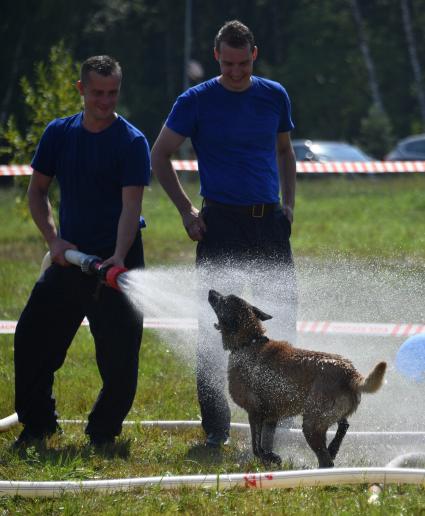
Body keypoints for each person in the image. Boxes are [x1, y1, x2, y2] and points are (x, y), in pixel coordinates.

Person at [151, 20, 297, 448]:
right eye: (228, 63)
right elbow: (160, 155)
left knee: (282, 319)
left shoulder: (274, 95)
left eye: (243, 63)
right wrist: (185, 210)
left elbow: (285, 152)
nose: (236, 72)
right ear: (217, 56)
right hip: (220, 224)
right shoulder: (194, 101)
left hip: (268, 221)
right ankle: (215, 430)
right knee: (213, 328)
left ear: (255, 53)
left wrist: (289, 205)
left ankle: (282, 418)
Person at [13, 55, 151, 448]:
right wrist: (54, 241)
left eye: (112, 93)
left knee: (120, 358)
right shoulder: (59, 134)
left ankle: (103, 433)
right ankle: (38, 424)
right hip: (70, 256)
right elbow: (37, 192)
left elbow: (130, 208)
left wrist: (119, 258)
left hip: (117, 257)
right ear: (81, 90)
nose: (105, 102)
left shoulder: (131, 141)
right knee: (31, 338)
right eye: (97, 93)